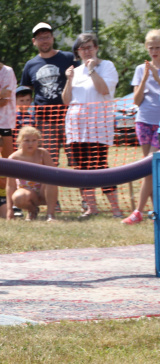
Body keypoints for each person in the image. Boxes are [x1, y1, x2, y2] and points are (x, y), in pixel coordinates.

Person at [62, 33, 121, 219]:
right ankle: (91, 207)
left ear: (96, 48)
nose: (86, 51)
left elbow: (104, 90)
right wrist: (69, 80)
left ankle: (116, 208)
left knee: (100, 166)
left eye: (90, 47)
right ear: (77, 52)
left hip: (98, 128)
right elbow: (66, 101)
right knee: (81, 168)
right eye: (82, 48)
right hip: (76, 128)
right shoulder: (75, 71)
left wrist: (92, 70)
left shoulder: (107, 66)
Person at [20, 22, 76, 166]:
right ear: (34, 42)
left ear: (53, 38)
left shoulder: (68, 58)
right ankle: (49, 189)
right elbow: (25, 93)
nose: (44, 40)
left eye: (47, 37)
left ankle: (85, 189)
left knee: (78, 161)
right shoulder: (30, 65)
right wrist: (23, 117)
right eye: (40, 38)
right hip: (44, 120)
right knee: (48, 163)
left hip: (69, 118)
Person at [122, 30, 160, 224]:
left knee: (152, 165)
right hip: (144, 120)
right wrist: (145, 78)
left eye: (158, 47)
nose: (154, 51)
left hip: (159, 124)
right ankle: (155, 212)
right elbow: (136, 100)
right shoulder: (140, 69)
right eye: (151, 47)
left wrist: (156, 75)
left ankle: (138, 211)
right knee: (149, 169)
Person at [6, 126, 59, 221]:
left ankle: (50, 214)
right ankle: (32, 210)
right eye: (27, 140)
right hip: (26, 192)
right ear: (20, 141)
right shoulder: (13, 158)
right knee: (18, 198)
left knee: (51, 179)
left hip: (44, 191)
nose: (30, 143)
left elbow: (55, 174)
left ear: (38, 141)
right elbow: (10, 185)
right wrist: (9, 210)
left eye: (34, 140)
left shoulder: (43, 153)